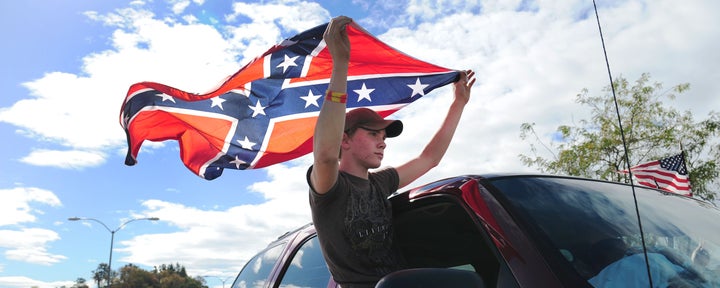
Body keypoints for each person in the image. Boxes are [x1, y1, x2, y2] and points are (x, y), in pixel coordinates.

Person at [306, 16, 475, 288]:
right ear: (344, 141)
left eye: (384, 136)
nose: (382, 142)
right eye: (373, 134)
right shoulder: (330, 188)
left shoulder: (380, 182)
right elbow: (325, 155)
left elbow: (429, 159)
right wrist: (340, 65)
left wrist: (459, 104)